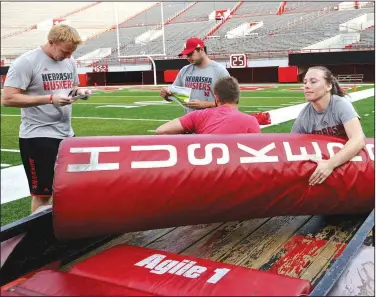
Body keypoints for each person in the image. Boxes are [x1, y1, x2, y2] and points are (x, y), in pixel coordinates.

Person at [1, 24, 92, 213]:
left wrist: (80, 91)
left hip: (66, 134)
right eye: (65, 51)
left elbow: (71, 87)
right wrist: (50, 99)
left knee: (70, 188)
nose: (68, 56)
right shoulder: (26, 62)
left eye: (71, 52)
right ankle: (40, 238)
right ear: (51, 42)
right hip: (37, 135)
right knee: (43, 194)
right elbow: (8, 99)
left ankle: (64, 231)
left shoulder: (69, 60)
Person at [291, 66, 365, 186]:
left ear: (328, 86)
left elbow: (358, 139)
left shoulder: (340, 104)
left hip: (354, 166)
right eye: (305, 82)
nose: (306, 85)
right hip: (325, 168)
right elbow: (290, 145)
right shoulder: (304, 116)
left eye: (313, 81)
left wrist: (330, 164)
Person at [156, 76, 260, 135]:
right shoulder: (250, 121)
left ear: (216, 97)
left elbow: (162, 130)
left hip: (206, 170)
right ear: (238, 97)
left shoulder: (198, 116)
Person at [160, 37, 230, 113]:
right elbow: (172, 96)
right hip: (190, 121)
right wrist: (166, 95)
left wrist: (205, 104)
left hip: (212, 121)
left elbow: (231, 101)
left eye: (190, 54)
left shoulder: (219, 71)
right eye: (187, 55)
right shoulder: (184, 70)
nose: (188, 58)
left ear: (201, 49)